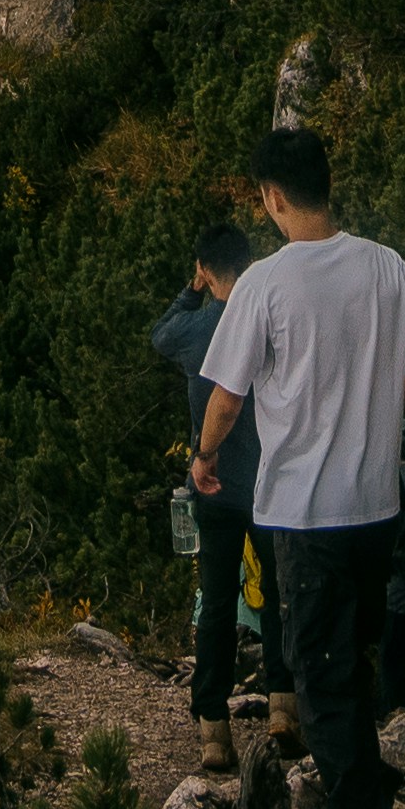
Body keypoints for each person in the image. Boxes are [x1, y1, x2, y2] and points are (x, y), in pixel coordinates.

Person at [184, 129, 405, 809]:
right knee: (350, 664)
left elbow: (226, 397)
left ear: (273, 197)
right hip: (377, 508)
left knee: (323, 683)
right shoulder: (385, 265)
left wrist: (204, 457)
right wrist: (394, 397)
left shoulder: (267, 284)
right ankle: (363, 797)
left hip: (305, 516)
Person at [148, 221, 261, 717]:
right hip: (272, 482)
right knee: (278, 594)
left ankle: (213, 722)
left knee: (215, 603)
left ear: (203, 268)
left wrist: (191, 290)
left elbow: (160, 335)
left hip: (213, 483)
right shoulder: (267, 319)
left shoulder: (195, 330)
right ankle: (283, 706)